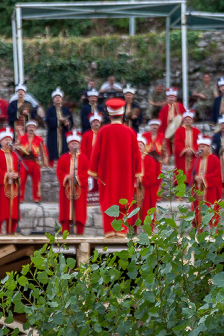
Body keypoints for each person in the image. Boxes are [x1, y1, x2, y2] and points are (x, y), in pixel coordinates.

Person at [88, 98, 142, 238]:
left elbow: (95, 154)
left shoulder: (103, 132)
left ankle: (110, 232)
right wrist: (137, 173)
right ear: (122, 114)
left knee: (109, 201)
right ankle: (122, 231)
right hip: (126, 176)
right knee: (124, 201)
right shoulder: (130, 132)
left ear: (109, 114)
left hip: (107, 176)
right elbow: (137, 155)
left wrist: (93, 171)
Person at [57, 131, 89, 236]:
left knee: (79, 211)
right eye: (72, 143)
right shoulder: (63, 158)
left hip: (79, 189)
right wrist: (66, 177)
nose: (74, 145)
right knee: (66, 212)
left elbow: (86, 172)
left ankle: (79, 232)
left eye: (76, 143)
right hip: (66, 189)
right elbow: (59, 172)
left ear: (79, 144)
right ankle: (65, 233)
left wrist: (76, 178)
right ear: (68, 145)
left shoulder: (84, 158)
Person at [191, 135, 222, 227]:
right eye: (200, 146)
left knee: (211, 211)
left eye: (203, 146)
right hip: (198, 190)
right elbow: (190, 173)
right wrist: (195, 178)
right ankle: (198, 233)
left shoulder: (214, 159)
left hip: (210, 191)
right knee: (198, 212)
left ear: (208, 147)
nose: (201, 148)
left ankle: (212, 233)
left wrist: (204, 178)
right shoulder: (196, 160)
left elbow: (217, 175)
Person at [17, 120, 49, 203]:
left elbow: (43, 150)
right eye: (30, 127)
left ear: (35, 128)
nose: (31, 128)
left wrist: (45, 162)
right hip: (24, 161)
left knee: (36, 181)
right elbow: (15, 148)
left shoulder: (39, 139)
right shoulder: (21, 138)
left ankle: (36, 198)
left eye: (33, 127)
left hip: (34, 161)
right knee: (22, 180)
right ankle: (20, 198)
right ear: (27, 128)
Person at [45, 87, 74, 164]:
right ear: (53, 99)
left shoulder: (66, 109)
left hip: (63, 132)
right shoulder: (50, 110)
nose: (58, 99)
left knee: (64, 148)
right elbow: (48, 121)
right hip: (54, 132)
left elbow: (71, 121)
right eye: (56, 97)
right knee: (53, 149)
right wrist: (58, 120)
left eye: (59, 97)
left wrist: (67, 123)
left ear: (61, 99)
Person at [137, 134, 161, 224]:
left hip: (147, 189)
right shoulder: (132, 159)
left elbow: (152, 175)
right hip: (135, 190)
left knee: (147, 210)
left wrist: (141, 179)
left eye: (141, 145)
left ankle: (148, 231)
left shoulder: (150, 159)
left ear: (145, 147)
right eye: (137, 145)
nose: (139, 146)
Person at [173, 111, 201, 186]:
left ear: (192, 121)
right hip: (183, 154)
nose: (188, 121)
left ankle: (191, 180)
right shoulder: (179, 130)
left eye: (189, 119)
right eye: (186, 119)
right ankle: (182, 182)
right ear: (183, 120)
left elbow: (199, 142)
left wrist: (192, 150)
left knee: (193, 166)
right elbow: (177, 142)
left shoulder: (196, 130)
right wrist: (185, 150)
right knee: (181, 168)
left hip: (192, 154)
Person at [157, 88, 186, 155]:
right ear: (167, 98)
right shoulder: (164, 109)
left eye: (173, 97)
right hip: (167, 130)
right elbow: (160, 121)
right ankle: (168, 155)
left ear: (175, 98)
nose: (171, 99)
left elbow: (185, 117)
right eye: (169, 97)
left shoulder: (180, 106)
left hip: (178, 129)